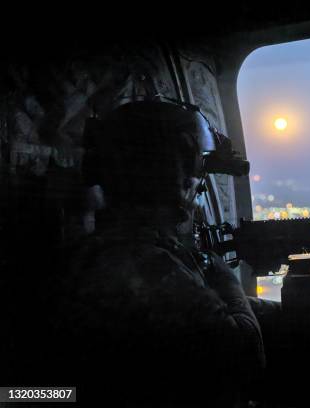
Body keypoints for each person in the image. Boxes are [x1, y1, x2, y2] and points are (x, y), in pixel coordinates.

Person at [50, 100, 267, 407]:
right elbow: (246, 355)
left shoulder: (113, 248)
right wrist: (211, 261)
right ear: (173, 174)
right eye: (198, 168)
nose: (199, 187)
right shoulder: (138, 262)